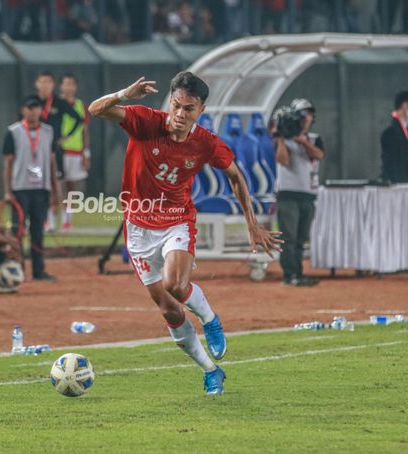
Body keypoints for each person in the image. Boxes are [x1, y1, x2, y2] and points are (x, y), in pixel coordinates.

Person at [88, 72, 282, 395]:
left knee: (176, 285)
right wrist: (124, 93)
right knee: (169, 309)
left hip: (177, 220)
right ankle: (210, 370)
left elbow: (235, 176)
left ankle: (210, 319)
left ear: (200, 110)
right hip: (138, 230)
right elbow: (95, 110)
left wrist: (251, 221)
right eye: (176, 106)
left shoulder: (204, 142)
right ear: (170, 102)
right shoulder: (146, 122)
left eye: (188, 109)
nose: (180, 115)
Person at [2, 95, 60, 282]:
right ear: (23, 110)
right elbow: (8, 164)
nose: (32, 112)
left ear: (40, 111)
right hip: (20, 188)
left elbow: (52, 162)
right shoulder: (13, 131)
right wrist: (7, 191)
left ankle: (38, 270)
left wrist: (54, 189)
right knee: (18, 231)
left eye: (36, 108)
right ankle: (17, 268)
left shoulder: (49, 132)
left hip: (41, 189)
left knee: (38, 231)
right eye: (29, 108)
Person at [274, 98, 325, 287]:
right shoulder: (283, 139)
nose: (306, 118)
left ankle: (298, 272)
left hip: (307, 193)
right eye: (302, 114)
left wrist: (302, 141)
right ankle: (290, 274)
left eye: (309, 114)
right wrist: (281, 137)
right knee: (289, 237)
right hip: (288, 192)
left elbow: (318, 155)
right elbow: (283, 160)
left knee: (301, 238)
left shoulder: (314, 138)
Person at [33, 71, 84, 230]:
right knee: (41, 185)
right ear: (37, 83)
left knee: (59, 184)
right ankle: (47, 219)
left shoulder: (58, 102)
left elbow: (79, 119)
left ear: (53, 84)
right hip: (37, 150)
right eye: (42, 81)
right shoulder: (32, 102)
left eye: (48, 81)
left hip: (56, 150)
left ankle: (64, 219)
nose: (45, 85)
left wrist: (65, 137)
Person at [58, 73, 91, 229]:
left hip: (75, 152)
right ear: (60, 86)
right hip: (58, 151)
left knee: (71, 186)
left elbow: (85, 131)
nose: (68, 87)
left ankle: (67, 219)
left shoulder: (80, 105)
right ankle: (50, 217)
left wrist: (86, 154)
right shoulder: (55, 104)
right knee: (55, 185)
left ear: (75, 87)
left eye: (71, 84)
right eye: (66, 84)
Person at [381, 90, 408, 183]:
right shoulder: (391, 132)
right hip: (397, 183)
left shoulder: (406, 129)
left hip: (405, 180)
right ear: (405, 105)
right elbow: (391, 162)